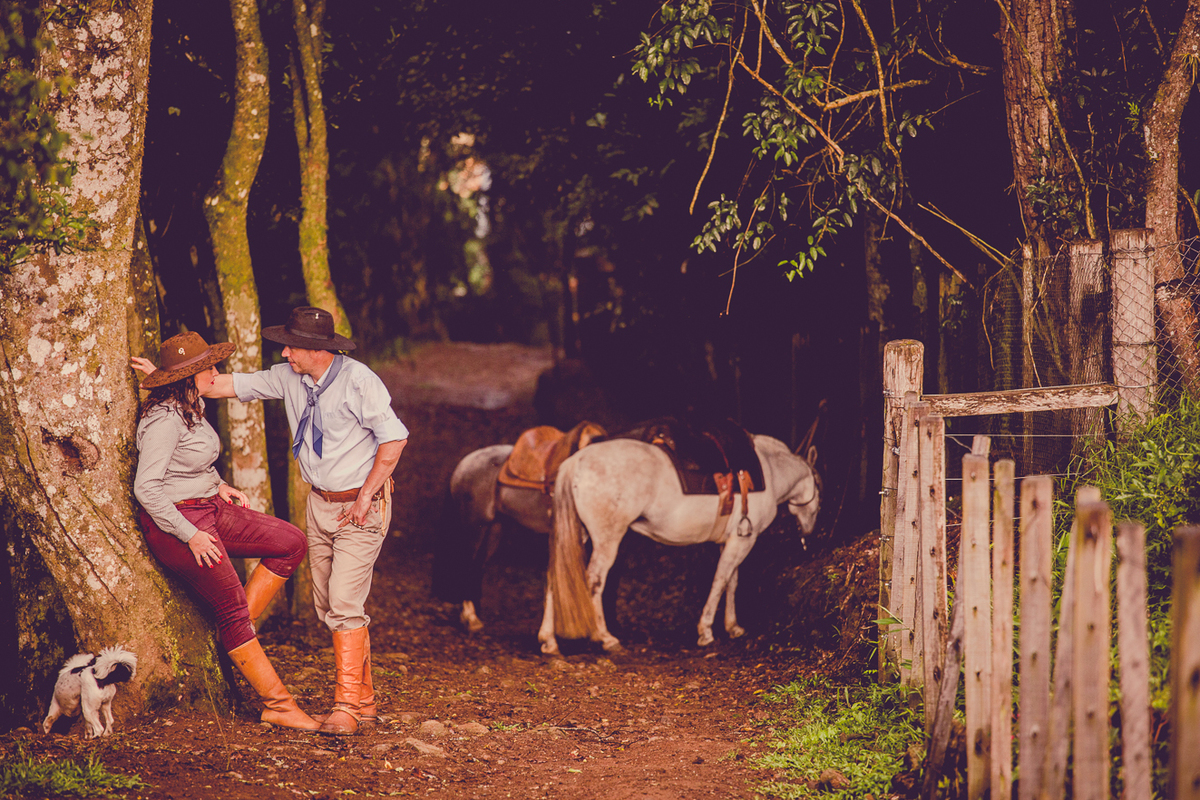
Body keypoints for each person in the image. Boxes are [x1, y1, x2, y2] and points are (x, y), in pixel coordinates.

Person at [138, 307, 409, 736]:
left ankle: (346, 707)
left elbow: (394, 439)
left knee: (342, 602)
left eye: (291, 346)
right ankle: (367, 700)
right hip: (319, 503)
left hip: (360, 503)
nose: (284, 351)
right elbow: (224, 384)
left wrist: (367, 494)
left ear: (318, 350)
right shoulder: (289, 376)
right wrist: (170, 375)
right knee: (329, 604)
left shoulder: (359, 381)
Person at [131, 332, 320, 731]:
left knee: (292, 542)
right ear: (189, 376)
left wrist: (219, 484)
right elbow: (146, 487)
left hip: (210, 505)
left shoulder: (190, 403)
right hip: (178, 522)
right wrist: (190, 535)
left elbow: (194, 460)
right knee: (232, 606)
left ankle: (235, 632)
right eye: (208, 367)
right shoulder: (162, 419)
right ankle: (279, 705)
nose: (215, 372)